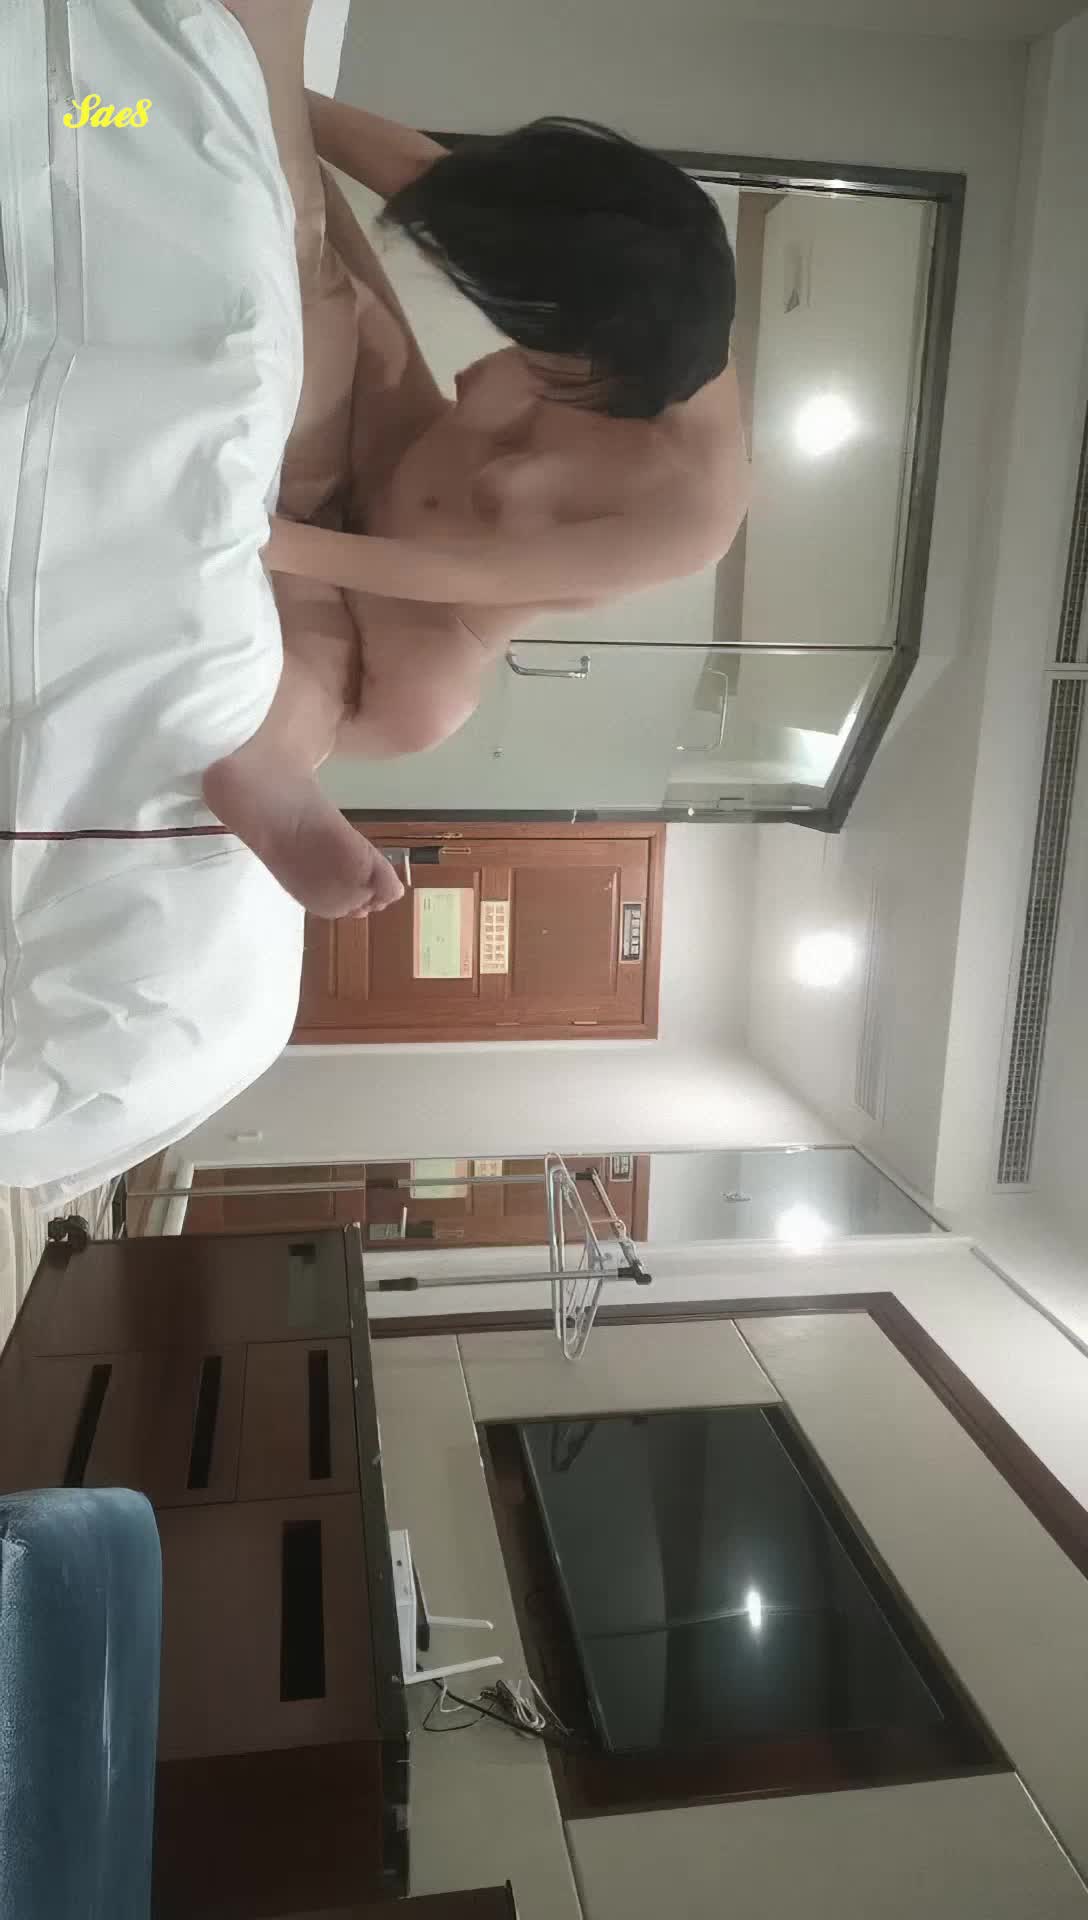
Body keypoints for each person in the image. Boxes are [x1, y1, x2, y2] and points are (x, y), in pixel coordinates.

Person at [204, 1, 749, 920]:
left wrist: (271, 541)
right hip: (393, 443)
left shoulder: (688, 512)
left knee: (356, 691)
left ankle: (278, 781)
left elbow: (461, 572)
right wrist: (276, 90)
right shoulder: (618, 276)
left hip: (415, 624)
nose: (505, 352)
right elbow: (434, 186)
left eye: (536, 353)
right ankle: (247, 37)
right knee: (310, 246)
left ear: (603, 369)